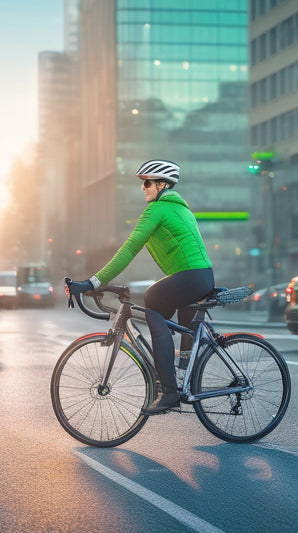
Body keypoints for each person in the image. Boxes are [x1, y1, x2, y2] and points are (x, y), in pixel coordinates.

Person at [68, 160, 214, 415]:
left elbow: (130, 248)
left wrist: (93, 282)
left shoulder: (157, 210)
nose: (143, 188)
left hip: (191, 277)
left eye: (147, 182)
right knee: (164, 323)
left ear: (162, 185)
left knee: (152, 300)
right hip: (200, 277)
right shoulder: (181, 210)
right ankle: (181, 380)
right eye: (142, 183)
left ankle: (169, 392)